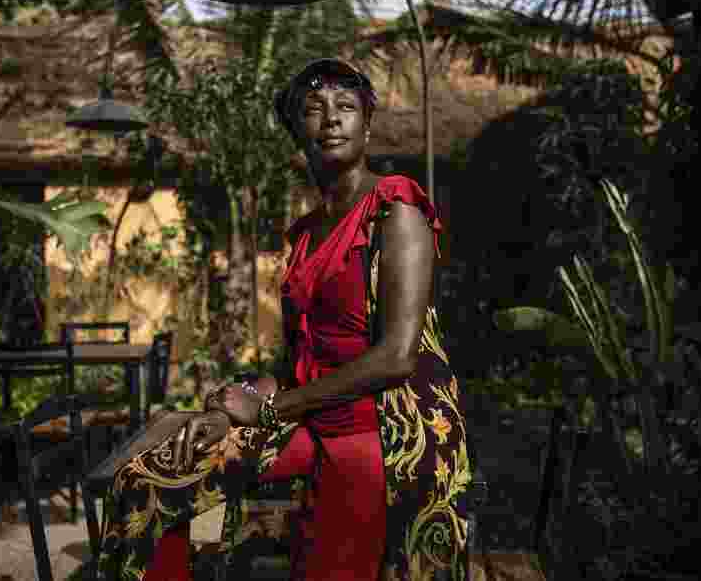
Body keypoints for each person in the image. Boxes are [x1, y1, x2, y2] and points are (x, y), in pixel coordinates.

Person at [97, 58, 472, 581]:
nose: (331, 119)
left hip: (377, 429)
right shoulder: (304, 234)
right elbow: (299, 361)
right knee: (149, 481)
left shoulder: (395, 211)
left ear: (367, 123)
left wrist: (270, 410)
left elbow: (396, 357)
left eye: (346, 107)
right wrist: (229, 411)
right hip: (309, 416)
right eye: (314, 110)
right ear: (296, 130)